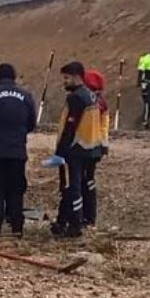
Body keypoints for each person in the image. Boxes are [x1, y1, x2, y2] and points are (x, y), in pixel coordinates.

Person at [0, 63, 37, 236]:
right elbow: (31, 123)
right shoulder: (26, 96)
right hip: (17, 151)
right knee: (16, 190)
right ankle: (17, 228)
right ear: (14, 77)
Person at [50, 61, 105, 238]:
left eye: (66, 78)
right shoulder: (92, 96)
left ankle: (74, 224)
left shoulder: (76, 98)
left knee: (72, 187)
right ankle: (73, 220)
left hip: (75, 150)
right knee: (80, 185)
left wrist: (59, 152)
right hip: (90, 148)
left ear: (76, 77)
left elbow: (70, 127)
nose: (64, 82)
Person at [81, 69, 110, 229]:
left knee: (81, 183)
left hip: (84, 147)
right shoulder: (102, 102)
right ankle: (90, 218)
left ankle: (84, 217)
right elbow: (105, 128)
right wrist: (104, 147)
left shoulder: (88, 102)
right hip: (97, 147)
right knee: (90, 182)